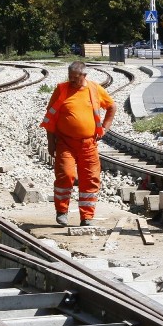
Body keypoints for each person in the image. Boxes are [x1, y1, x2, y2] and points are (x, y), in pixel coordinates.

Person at [41, 61, 117, 227]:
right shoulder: (61, 89)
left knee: (90, 179)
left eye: (76, 78)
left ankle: (87, 217)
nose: (72, 81)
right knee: (66, 175)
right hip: (65, 142)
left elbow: (112, 107)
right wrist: (50, 142)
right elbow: (50, 117)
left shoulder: (95, 89)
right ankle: (61, 212)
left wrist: (104, 128)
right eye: (70, 77)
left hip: (88, 144)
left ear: (84, 75)